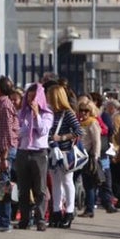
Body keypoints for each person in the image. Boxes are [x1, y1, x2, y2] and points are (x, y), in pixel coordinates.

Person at [15, 82, 54, 231]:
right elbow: (18, 131)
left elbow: (43, 130)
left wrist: (36, 115)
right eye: (29, 97)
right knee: (23, 188)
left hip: (39, 152)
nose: (31, 101)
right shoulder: (22, 113)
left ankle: (40, 219)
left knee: (40, 188)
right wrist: (26, 128)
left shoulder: (47, 114)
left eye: (34, 98)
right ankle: (24, 219)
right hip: (24, 151)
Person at [47, 84, 83, 229]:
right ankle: (56, 212)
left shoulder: (67, 113)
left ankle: (69, 211)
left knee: (67, 181)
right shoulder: (50, 112)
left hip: (65, 152)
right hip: (52, 152)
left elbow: (79, 131)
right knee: (55, 182)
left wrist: (61, 138)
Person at [0, 76, 19, 231]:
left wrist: (4, 156)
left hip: (4, 151)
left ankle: (4, 220)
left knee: (4, 185)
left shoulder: (4, 105)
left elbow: (6, 133)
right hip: (0, 150)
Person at [77, 97, 103, 219]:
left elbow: (97, 141)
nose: (83, 113)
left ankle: (89, 208)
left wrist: (96, 157)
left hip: (89, 157)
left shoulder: (93, 123)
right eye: (81, 110)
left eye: (86, 111)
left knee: (89, 185)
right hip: (78, 156)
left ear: (91, 111)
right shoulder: (79, 122)